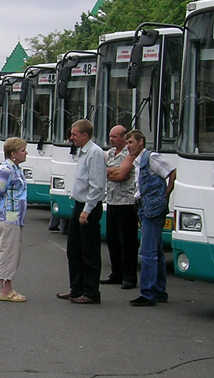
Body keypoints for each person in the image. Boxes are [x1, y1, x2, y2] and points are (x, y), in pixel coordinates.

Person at [58, 119, 106, 304]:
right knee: (74, 249)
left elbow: (96, 186)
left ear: (85, 135)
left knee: (89, 251)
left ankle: (91, 291)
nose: (71, 138)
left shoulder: (95, 153)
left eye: (74, 134)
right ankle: (76, 288)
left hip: (89, 207)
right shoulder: (82, 152)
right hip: (79, 205)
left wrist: (87, 210)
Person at [127, 129, 176, 307]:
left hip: (152, 209)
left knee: (147, 252)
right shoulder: (139, 162)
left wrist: (166, 194)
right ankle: (159, 290)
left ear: (141, 142)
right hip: (145, 207)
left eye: (131, 142)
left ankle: (148, 293)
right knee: (157, 252)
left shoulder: (151, 158)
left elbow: (171, 172)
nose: (128, 146)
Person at [0, 137, 29, 302]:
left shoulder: (15, 168)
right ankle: (6, 290)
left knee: (13, 252)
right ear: (13, 153)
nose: (26, 153)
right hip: (9, 218)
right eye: (23, 150)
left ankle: (8, 287)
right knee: (8, 252)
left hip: (14, 216)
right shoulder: (7, 170)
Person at [102, 124, 139, 290]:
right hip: (111, 201)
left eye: (115, 136)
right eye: (110, 136)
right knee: (113, 240)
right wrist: (112, 171)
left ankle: (130, 277)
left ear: (124, 138)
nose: (111, 139)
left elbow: (121, 174)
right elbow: (99, 171)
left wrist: (110, 172)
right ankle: (116, 273)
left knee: (127, 242)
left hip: (126, 203)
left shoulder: (129, 154)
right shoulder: (109, 154)